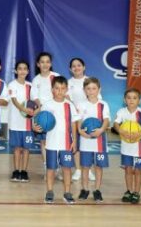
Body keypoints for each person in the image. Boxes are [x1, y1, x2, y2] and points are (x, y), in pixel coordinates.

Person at [35, 76, 80, 204]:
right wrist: (35, 127)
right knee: (51, 169)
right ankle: (49, 192)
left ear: (66, 90)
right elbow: (39, 122)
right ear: (52, 90)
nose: (60, 91)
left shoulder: (69, 105)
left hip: (66, 143)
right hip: (51, 143)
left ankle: (67, 192)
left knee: (67, 168)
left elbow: (73, 123)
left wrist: (74, 140)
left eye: (62, 88)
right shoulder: (47, 105)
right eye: (57, 88)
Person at [66, 57, 101, 182]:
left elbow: (98, 99)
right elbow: (67, 100)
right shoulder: (68, 83)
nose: (76, 68)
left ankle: (88, 169)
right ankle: (78, 170)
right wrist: (76, 111)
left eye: (79, 65)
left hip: (89, 118)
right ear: (70, 69)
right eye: (74, 66)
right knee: (75, 143)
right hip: (74, 117)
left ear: (84, 67)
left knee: (87, 144)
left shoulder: (90, 81)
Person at [114, 88, 141, 204]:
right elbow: (115, 124)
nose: (131, 100)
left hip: (139, 147)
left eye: (134, 98)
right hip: (126, 147)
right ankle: (129, 191)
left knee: (138, 171)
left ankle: (136, 192)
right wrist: (120, 130)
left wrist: (139, 133)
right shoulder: (121, 112)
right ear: (124, 100)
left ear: (139, 100)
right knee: (128, 170)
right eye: (129, 98)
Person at [76, 77, 110, 203]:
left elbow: (106, 120)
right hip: (85, 142)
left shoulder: (103, 105)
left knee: (98, 167)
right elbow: (79, 121)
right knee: (85, 167)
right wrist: (80, 131)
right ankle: (84, 189)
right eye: (88, 89)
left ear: (99, 90)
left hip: (99, 142)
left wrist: (101, 130)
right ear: (84, 90)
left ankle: (97, 190)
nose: (91, 91)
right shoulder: (81, 105)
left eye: (94, 88)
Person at [30, 52, 59, 172]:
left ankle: (57, 166)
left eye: (47, 62)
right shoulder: (36, 80)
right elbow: (34, 97)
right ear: (38, 64)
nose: (45, 64)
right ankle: (47, 166)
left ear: (50, 64)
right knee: (44, 141)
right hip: (43, 115)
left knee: (57, 140)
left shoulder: (56, 76)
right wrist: (42, 107)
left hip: (57, 113)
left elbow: (61, 93)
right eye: (42, 62)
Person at [7, 60, 35, 183]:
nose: (22, 71)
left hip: (27, 124)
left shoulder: (30, 86)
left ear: (28, 71)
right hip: (15, 123)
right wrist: (23, 109)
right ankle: (16, 171)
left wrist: (35, 111)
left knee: (26, 148)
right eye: (20, 68)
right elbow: (14, 101)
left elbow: (35, 101)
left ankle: (24, 171)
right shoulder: (12, 85)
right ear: (16, 71)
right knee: (17, 148)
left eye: (25, 69)